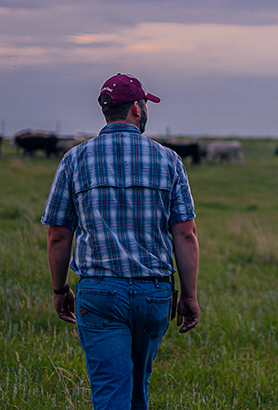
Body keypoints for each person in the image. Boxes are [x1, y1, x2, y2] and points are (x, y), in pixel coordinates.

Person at [42, 73, 200, 410]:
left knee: (111, 391)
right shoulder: (168, 160)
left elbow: (58, 234)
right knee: (137, 390)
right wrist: (188, 295)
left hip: (98, 292)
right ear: (138, 109)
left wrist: (60, 290)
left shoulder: (74, 160)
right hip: (153, 294)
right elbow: (185, 233)